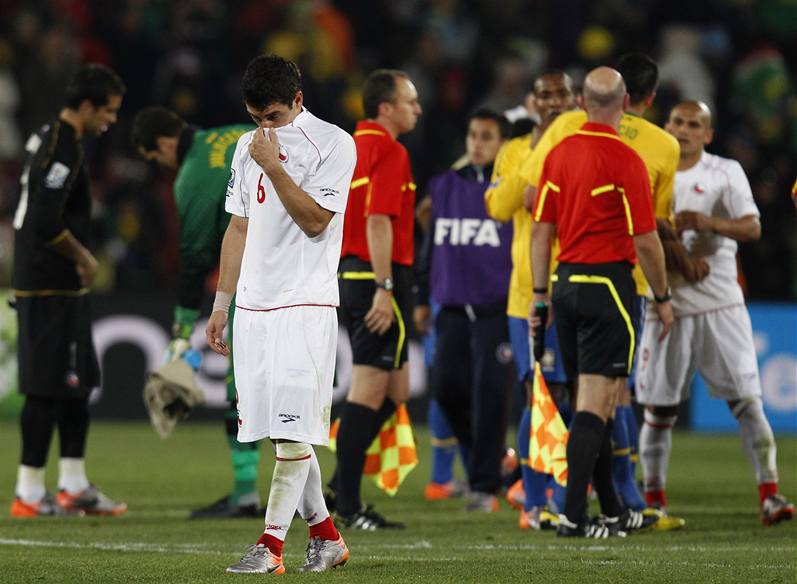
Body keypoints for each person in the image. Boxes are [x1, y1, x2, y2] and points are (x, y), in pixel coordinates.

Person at [521, 54, 700, 521]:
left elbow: (541, 231)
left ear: (581, 102)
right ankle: (576, 514)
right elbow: (647, 240)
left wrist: (540, 294)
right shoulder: (628, 158)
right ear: (625, 102)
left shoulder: (559, 154)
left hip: (564, 285)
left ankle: (615, 507)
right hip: (610, 288)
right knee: (598, 403)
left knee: (588, 399)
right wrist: (662, 298)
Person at [205, 54, 356, 573]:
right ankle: (327, 536)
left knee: (293, 431)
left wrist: (274, 166)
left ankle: (270, 547)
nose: (262, 129)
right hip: (253, 307)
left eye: (271, 117)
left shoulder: (335, 143)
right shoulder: (246, 150)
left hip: (305, 303)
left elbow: (316, 221)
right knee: (280, 432)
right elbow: (239, 228)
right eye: (254, 118)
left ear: (298, 100)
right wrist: (223, 304)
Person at [637, 100, 795, 526]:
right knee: (659, 412)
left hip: (721, 304)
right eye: (677, 122)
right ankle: (655, 501)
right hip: (664, 304)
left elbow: (752, 226)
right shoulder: (647, 170)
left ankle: (770, 493)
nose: (684, 130)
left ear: (707, 134)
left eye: (694, 125)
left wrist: (708, 223)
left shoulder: (725, 172)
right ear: (664, 125)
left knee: (748, 403)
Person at [131, 107, 261, 519]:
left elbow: (195, 255)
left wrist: (181, 329)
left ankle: (247, 495)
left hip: (256, 283)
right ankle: (308, 496)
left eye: (155, 157)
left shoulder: (193, 174)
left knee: (241, 393)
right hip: (305, 270)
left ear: (166, 143)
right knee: (283, 390)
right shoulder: (236, 129)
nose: (160, 165)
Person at [10, 64, 127, 517]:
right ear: (86, 106)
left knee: (76, 385)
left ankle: (73, 485)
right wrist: (84, 258)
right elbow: (43, 221)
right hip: (46, 285)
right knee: (45, 389)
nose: (111, 120)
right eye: (109, 111)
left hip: (60, 288)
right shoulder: (62, 147)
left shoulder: (54, 137)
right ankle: (29, 492)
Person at [331, 69, 421, 529]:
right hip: (375, 275)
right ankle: (346, 504)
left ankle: (337, 482)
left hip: (354, 272)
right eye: (410, 101)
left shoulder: (348, 147)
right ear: (386, 108)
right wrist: (385, 289)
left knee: (397, 390)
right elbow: (379, 221)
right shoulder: (389, 149)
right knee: (368, 389)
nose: (417, 109)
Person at [485, 71, 576, 530]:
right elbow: (498, 207)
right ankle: (536, 496)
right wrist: (531, 164)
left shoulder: (580, 144)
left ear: (575, 98)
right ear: (533, 102)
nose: (554, 101)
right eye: (546, 95)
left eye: (562, 94)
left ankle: (566, 490)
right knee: (540, 393)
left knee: (576, 396)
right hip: (528, 294)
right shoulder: (516, 150)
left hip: (579, 283)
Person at [413, 107, 512, 512]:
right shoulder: (445, 186)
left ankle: (485, 486)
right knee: (446, 392)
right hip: (451, 306)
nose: (478, 143)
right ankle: (488, 468)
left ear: (503, 143)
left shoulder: (511, 190)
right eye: (473, 134)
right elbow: (431, 245)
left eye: (487, 136)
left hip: (497, 309)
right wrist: (422, 297)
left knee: (490, 397)